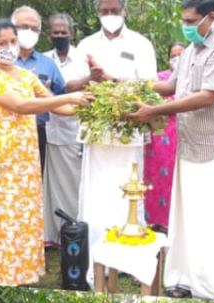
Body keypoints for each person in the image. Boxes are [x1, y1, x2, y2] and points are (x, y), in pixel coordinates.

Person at [131, 0, 214, 301]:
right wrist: (130, 85)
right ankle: (186, 278)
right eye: (184, 20)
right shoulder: (189, 51)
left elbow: (208, 96)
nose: (186, 27)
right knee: (190, 219)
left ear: (210, 18)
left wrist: (155, 110)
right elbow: (174, 84)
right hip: (190, 146)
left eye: (191, 21)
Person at [0, 19, 89, 287]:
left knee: (21, 214)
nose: (9, 47)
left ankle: (18, 272)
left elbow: (53, 105)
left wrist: (90, 105)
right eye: (2, 43)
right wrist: (67, 98)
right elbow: (23, 105)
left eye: (12, 42)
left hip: (25, 158)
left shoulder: (25, 75)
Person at [75, 0, 157, 285]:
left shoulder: (141, 44)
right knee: (96, 195)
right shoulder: (85, 45)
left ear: (125, 11)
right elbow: (72, 86)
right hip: (97, 132)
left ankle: (129, 260)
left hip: (129, 129)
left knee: (129, 191)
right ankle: (97, 255)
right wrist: (91, 77)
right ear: (97, 12)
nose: (110, 16)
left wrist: (113, 79)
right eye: (104, 11)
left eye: (114, 10)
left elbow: (150, 87)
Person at [42, 13, 89, 247]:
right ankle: (57, 234)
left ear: (72, 33)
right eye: (55, 32)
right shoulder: (43, 59)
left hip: (78, 128)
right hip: (53, 130)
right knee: (55, 186)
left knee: (77, 183)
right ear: (49, 34)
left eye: (64, 32)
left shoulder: (82, 58)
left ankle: (77, 228)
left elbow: (90, 86)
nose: (60, 35)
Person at [11, 6, 66, 169]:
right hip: (4, 132)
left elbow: (61, 97)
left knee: (34, 185)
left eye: (34, 29)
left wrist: (45, 93)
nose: (29, 31)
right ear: (11, 29)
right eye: (23, 27)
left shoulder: (48, 64)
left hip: (37, 133)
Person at [142, 42, 186, 231]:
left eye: (181, 55)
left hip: (182, 135)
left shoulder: (190, 81)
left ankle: (174, 223)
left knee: (176, 178)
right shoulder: (159, 79)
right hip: (158, 136)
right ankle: (153, 220)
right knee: (155, 176)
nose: (177, 59)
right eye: (173, 55)